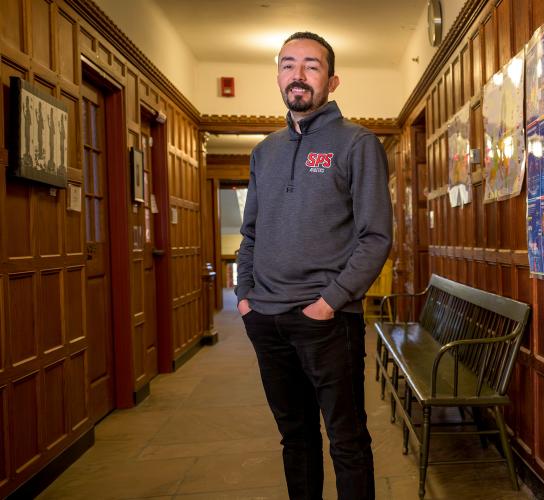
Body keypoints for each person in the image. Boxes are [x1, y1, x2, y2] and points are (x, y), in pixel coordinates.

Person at [235, 31, 392, 500]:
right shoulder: (265, 151)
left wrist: (330, 302)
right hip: (266, 319)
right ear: (279, 76)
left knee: (347, 440)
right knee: (295, 438)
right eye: (287, 65)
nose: (297, 75)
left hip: (326, 322)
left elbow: (376, 237)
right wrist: (246, 299)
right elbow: (251, 233)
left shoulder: (357, 143)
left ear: (332, 79)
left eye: (311, 65)